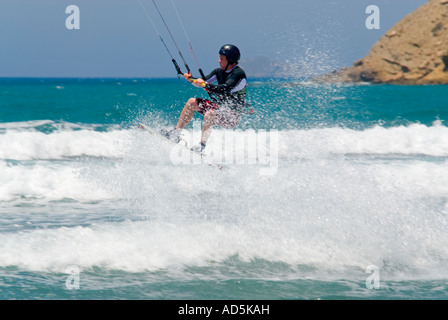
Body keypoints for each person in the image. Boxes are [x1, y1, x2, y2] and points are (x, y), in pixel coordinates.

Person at [161, 44, 248, 153]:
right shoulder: (218, 72)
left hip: (231, 117)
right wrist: (191, 79)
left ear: (231, 60)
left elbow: (224, 88)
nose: (219, 61)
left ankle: (201, 146)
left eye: (222, 59)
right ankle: (176, 133)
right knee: (192, 102)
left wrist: (204, 84)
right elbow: (202, 82)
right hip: (219, 110)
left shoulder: (238, 74)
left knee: (210, 113)